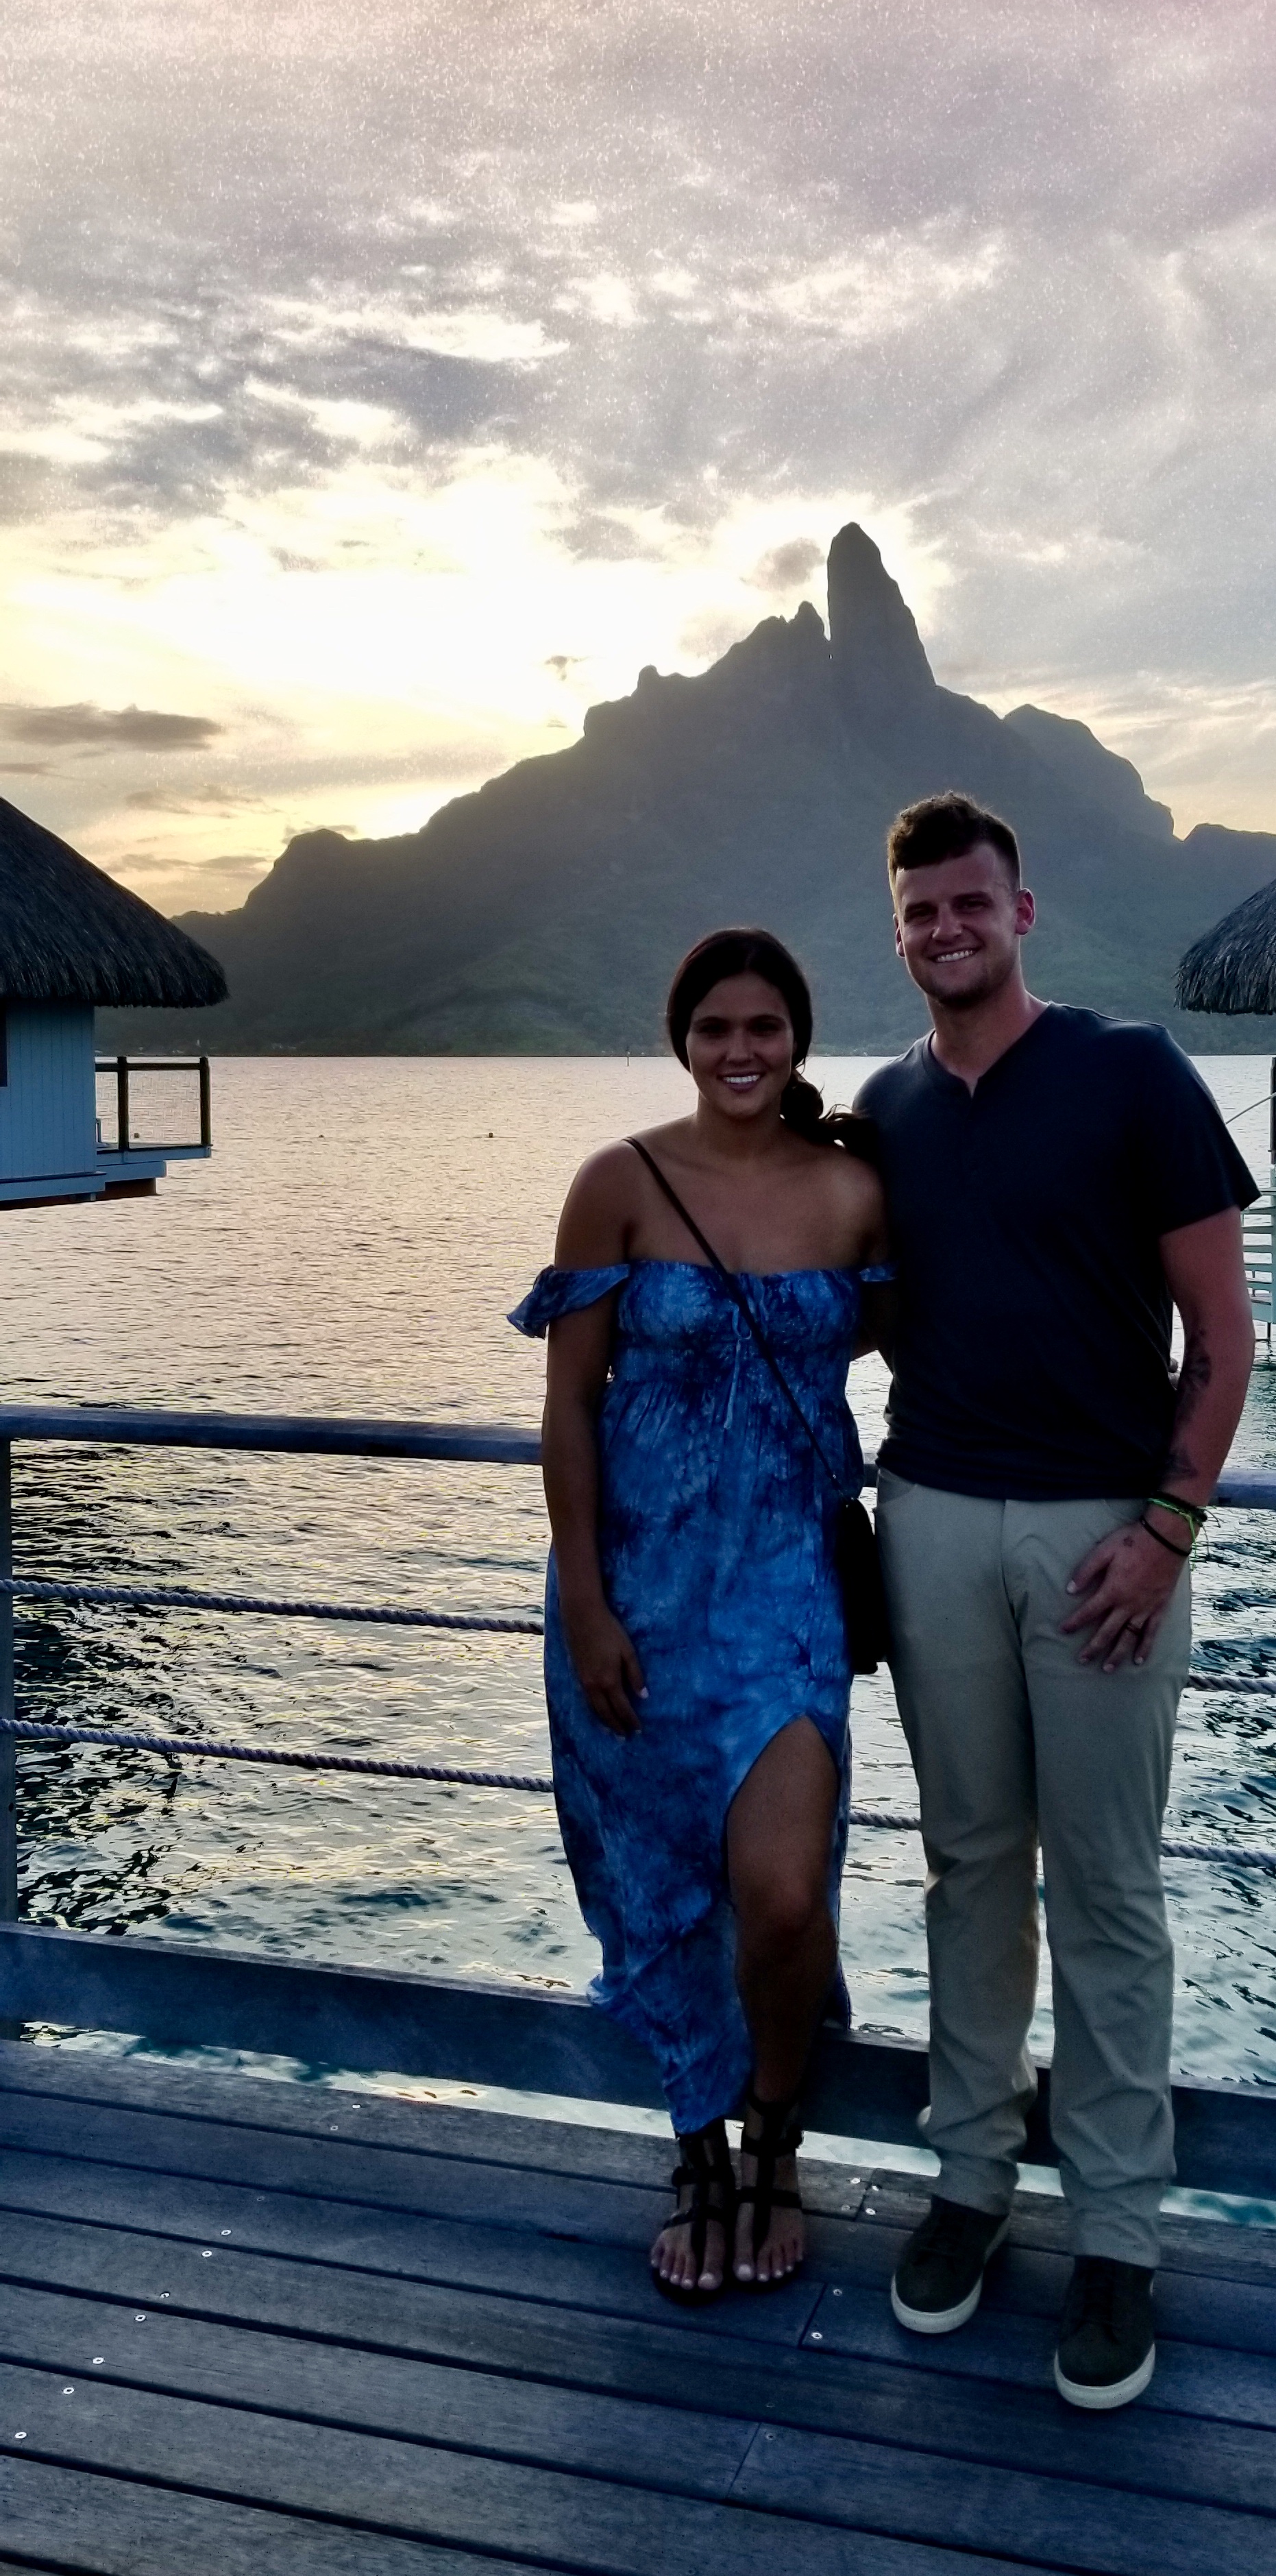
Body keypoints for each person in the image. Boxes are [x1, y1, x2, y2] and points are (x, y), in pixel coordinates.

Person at [854, 792, 1256, 2411]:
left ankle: (1117, 2234)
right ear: (901, 933)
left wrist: (1168, 1526)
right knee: (966, 1868)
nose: (947, 931)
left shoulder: (1132, 1072)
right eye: (921, 913)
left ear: (1025, 911)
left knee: (1103, 1883)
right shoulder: (880, 1112)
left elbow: (1226, 1339)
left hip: (1106, 1529)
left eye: (971, 905)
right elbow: (856, 1307)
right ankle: (969, 2182)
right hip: (933, 1513)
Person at [511, 929, 891, 2306]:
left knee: (783, 1898)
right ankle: (700, 2154)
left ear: (798, 1039)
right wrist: (590, 1602)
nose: (743, 1049)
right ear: (684, 1039)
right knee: (663, 1886)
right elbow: (567, 1408)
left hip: (785, 1585)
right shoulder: (617, 1182)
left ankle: (778, 2138)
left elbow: (952, 1353)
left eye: (767, 1027)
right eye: (717, 1027)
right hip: (636, 1597)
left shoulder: (853, 1193)